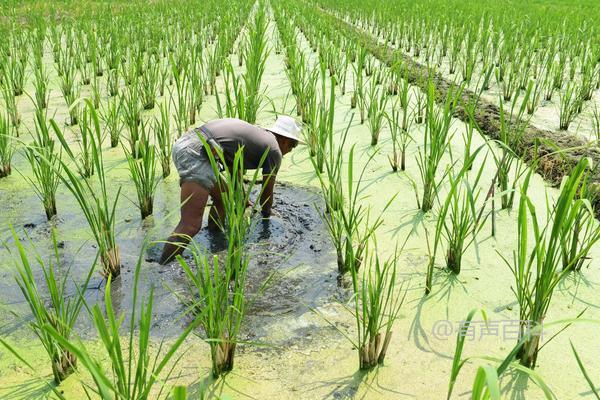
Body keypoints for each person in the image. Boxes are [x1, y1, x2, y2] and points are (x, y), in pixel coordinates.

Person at [159, 116, 302, 264]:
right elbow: (266, 194)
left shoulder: (257, 138)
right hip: (196, 153)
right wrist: (267, 214)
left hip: (188, 143)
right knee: (191, 225)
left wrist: (244, 199)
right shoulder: (274, 150)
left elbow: (234, 167)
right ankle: (162, 267)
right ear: (285, 140)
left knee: (224, 196)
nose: (289, 151)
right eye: (292, 147)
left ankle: (214, 235)